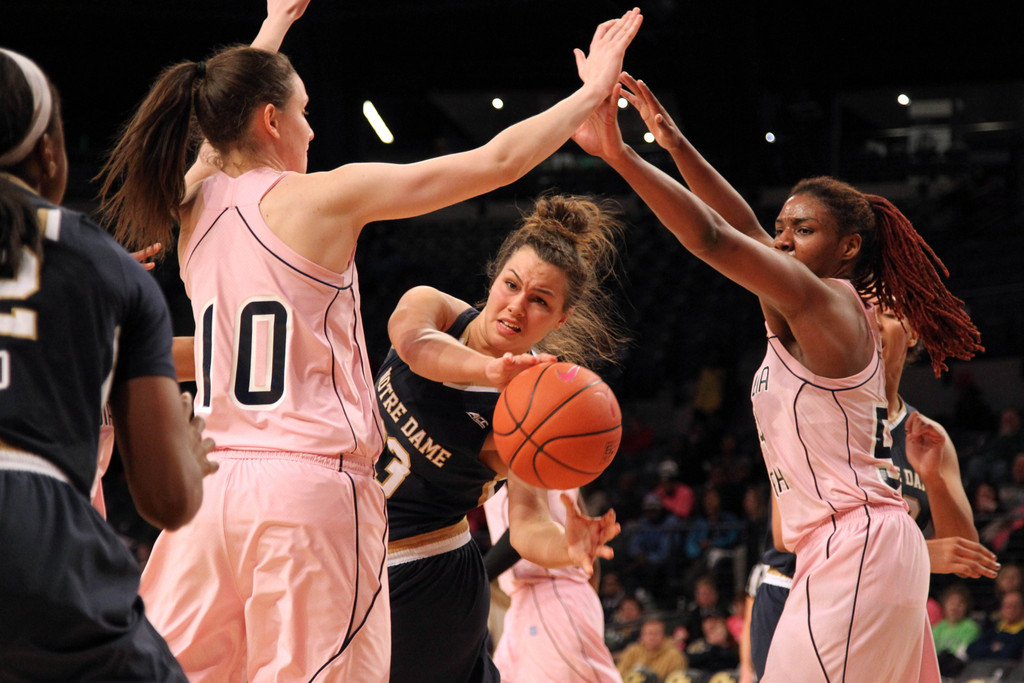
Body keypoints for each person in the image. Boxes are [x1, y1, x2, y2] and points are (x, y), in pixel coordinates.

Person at [96, 1, 643, 679]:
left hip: (208, 490)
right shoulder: (323, 196)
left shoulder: (191, 199)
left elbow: (220, 126)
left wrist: (273, 31)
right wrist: (591, 92)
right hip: (310, 492)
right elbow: (496, 161)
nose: (312, 126)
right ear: (271, 121)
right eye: (302, 110)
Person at [572, 64, 987, 680]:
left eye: (805, 229)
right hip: (848, 547)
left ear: (848, 248)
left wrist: (623, 155)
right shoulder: (814, 309)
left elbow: (715, 238)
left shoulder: (831, 304)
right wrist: (672, 140)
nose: (784, 240)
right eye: (783, 227)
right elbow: (742, 226)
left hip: (858, 545)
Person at [0, 48, 216, 680]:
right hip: (39, 533)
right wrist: (190, 458)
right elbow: (167, 501)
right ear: (50, 153)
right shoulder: (109, 270)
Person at [377, 193, 627, 681]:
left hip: (424, 570)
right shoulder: (434, 309)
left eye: (540, 301)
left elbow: (528, 523)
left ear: (560, 319)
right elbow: (413, 345)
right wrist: (489, 369)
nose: (516, 306)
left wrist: (569, 549)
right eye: (511, 285)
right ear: (493, 279)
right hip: (347, 542)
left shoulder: (531, 406)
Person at [483, 485, 622, 682]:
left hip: (554, 592)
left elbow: (523, 530)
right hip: (533, 599)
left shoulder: (520, 459)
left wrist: (474, 576)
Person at [615, 617, 687, 682]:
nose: (651, 637)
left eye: (655, 634)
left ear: (663, 636)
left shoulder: (674, 656)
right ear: (642, 636)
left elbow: (677, 679)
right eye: (648, 633)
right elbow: (618, 674)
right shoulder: (632, 651)